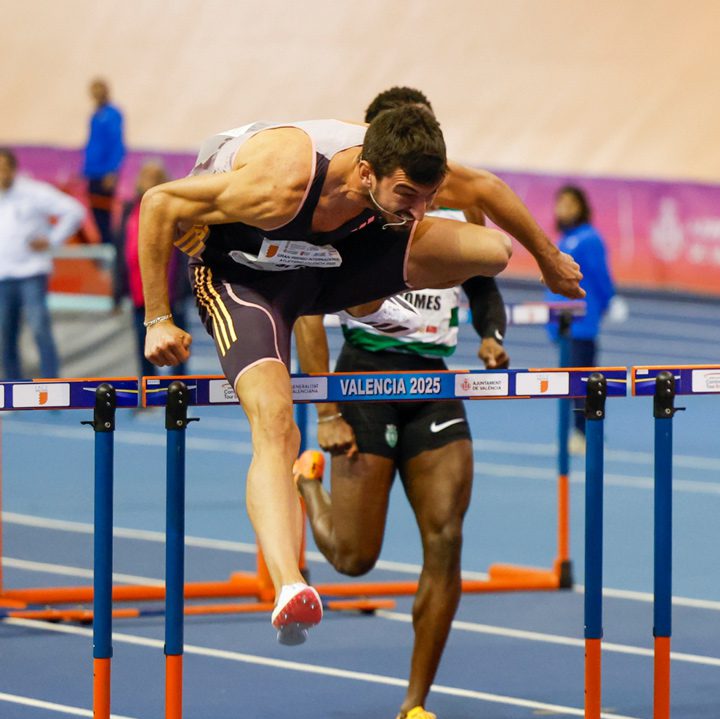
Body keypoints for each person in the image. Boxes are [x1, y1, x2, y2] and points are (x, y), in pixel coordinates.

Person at [141, 105, 583, 645]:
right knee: (277, 425)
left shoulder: (405, 173)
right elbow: (159, 201)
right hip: (246, 277)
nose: (422, 210)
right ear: (368, 173)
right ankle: (289, 584)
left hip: (324, 265)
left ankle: (367, 300)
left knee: (492, 250)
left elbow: (486, 188)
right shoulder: (281, 182)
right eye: (409, 197)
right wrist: (158, 318)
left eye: (430, 196)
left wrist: (550, 258)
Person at [291, 86, 516, 719]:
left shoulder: (444, 201)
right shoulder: (350, 212)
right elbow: (305, 308)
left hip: (434, 385)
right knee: (355, 559)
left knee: (445, 539)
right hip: (366, 376)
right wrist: (324, 411)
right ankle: (306, 479)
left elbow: (481, 277)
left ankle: (415, 706)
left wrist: (491, 333)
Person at [0, 148, 85, 380]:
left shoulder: (33, 192)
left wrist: (52, 240)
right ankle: (11, 391)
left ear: (13, 170)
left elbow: (74, 210)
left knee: (39, 329)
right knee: (4, 335)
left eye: (4, 168)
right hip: (3, 276)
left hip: (31, 272)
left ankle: (52, 385)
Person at [545, 184, 614, 453]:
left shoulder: (588, 239)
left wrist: (605, 303)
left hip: (581, 324)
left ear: (582, 207)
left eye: (570, 204)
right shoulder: (564, 239)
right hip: (561, 324)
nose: (563, 209)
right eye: (560, 204)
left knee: (582, 382)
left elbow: (600, 277)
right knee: (571, 382)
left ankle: (585, 432)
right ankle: (579, 431)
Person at [115, 161, 189, 377]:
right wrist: (117, 291)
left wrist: (185, 287)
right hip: (139, 291)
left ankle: (179, 390)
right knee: (143, 343)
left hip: (171, 289)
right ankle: (148, 392)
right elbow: (120, 249)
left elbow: (186, 251)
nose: (151, 180)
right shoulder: (130, 210)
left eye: (156, 176)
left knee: (178, 343)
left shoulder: (174, 207)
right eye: (147, 176)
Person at [83, 78, 125, 247]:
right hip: (92, 172)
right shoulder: (95, 115)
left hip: (105, 173)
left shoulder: (112, 114)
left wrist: (112, 171)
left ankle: (111, 247)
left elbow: (117, 143)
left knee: (105, 214)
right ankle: (104, 244)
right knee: (96, 213)